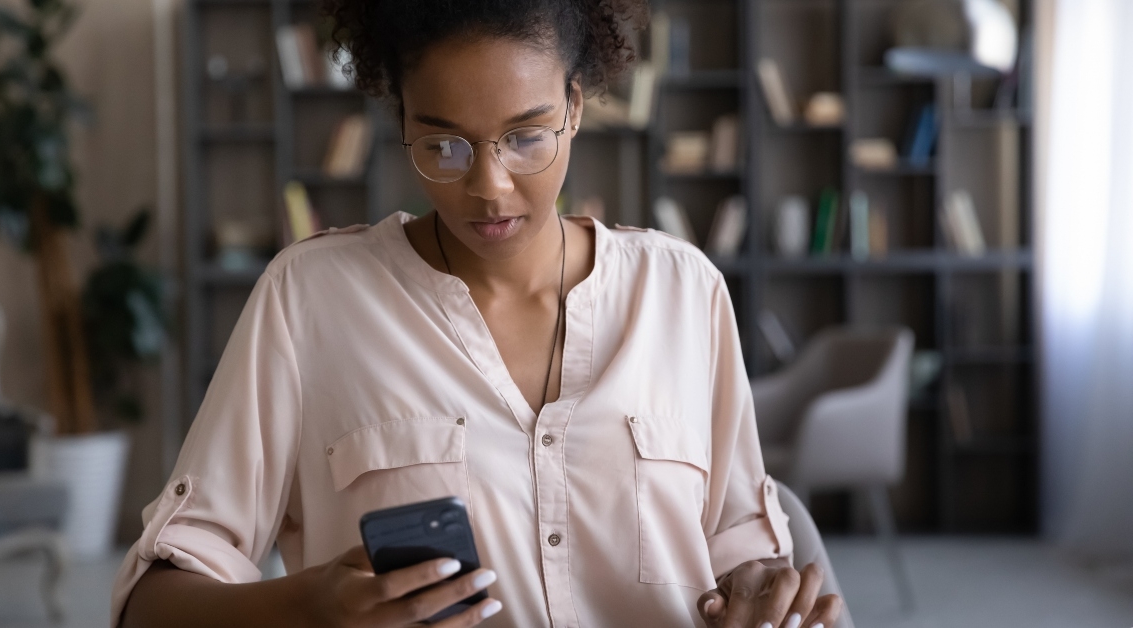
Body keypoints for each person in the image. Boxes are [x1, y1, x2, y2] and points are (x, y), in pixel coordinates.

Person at [114, 1, 844, 627]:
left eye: (527, 135)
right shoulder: (310, 300)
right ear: (400, 121)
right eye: (444, 144)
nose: (489, 186)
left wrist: (761, 594)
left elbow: (744, 553)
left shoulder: (683, 292)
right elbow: (150, 603)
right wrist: (305, 607)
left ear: (577, 108)